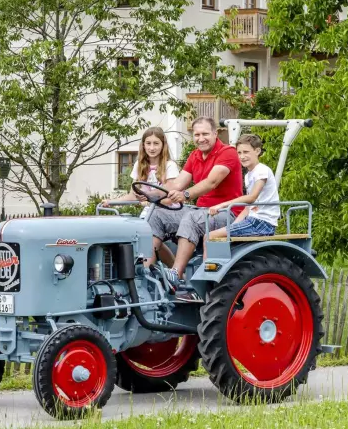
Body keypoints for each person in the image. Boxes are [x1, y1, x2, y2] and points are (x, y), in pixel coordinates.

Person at [146, 117, 244, 296]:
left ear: (215, 134)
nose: (201, 138)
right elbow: (177, 184)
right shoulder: (195, 155)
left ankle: (176, 274)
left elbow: (211, 182)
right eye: (197, 135)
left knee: (191, 218)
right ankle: (144, 273)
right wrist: (153, 195)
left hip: (227, 212)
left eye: (205, 134)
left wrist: (185, 195)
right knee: (157, 216)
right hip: (201, 211)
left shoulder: (227, 152)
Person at [207, 134, 280, 240]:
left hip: (262, 222)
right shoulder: (248, 175)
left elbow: (252, 197)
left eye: (246, 152)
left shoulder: (262, 170)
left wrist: (221, 205)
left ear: (257, 151)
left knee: (209, 236)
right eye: (239, 153)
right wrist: (233, 226)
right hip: (253, 220)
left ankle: (208, 252)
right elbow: (247, 208)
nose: (242, 156)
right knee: (214, 235)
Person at [102, 127, 180, 220]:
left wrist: (148, 201)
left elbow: (170, 199)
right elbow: (132, 195)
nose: (152, 148)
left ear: (163, 145)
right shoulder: (139, 165)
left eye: (156, 143)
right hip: (149, 213)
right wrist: (111, 202)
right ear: (143, 145)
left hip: (169, 213)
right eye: (148, 143)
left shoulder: (170, 165)